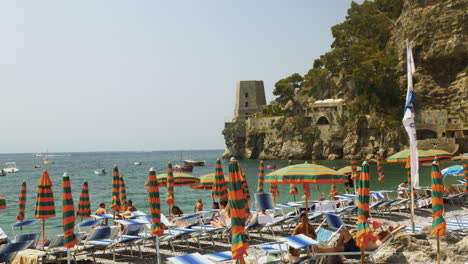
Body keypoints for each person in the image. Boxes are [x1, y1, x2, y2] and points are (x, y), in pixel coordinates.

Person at [312, 225, 406, 253]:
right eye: (380, 233)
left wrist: (400, 228)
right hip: (354, 243)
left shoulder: (379, 242)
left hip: (356, 248)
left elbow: (390, 235)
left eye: (381, 234)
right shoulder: (374, 237)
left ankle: (320, 250)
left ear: (382, 237)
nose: (379, 233)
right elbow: (387, 231)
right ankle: (337, 249)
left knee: (338, 249)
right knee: (344, 232)